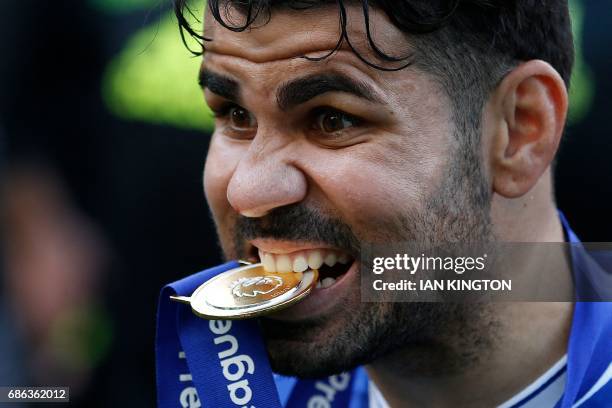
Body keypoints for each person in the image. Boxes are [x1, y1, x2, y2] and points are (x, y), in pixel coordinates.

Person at [170, 1, 612, 406]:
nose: (247, 192)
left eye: (332, 120)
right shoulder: (226, 387)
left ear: (519, 131)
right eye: (235, 115)